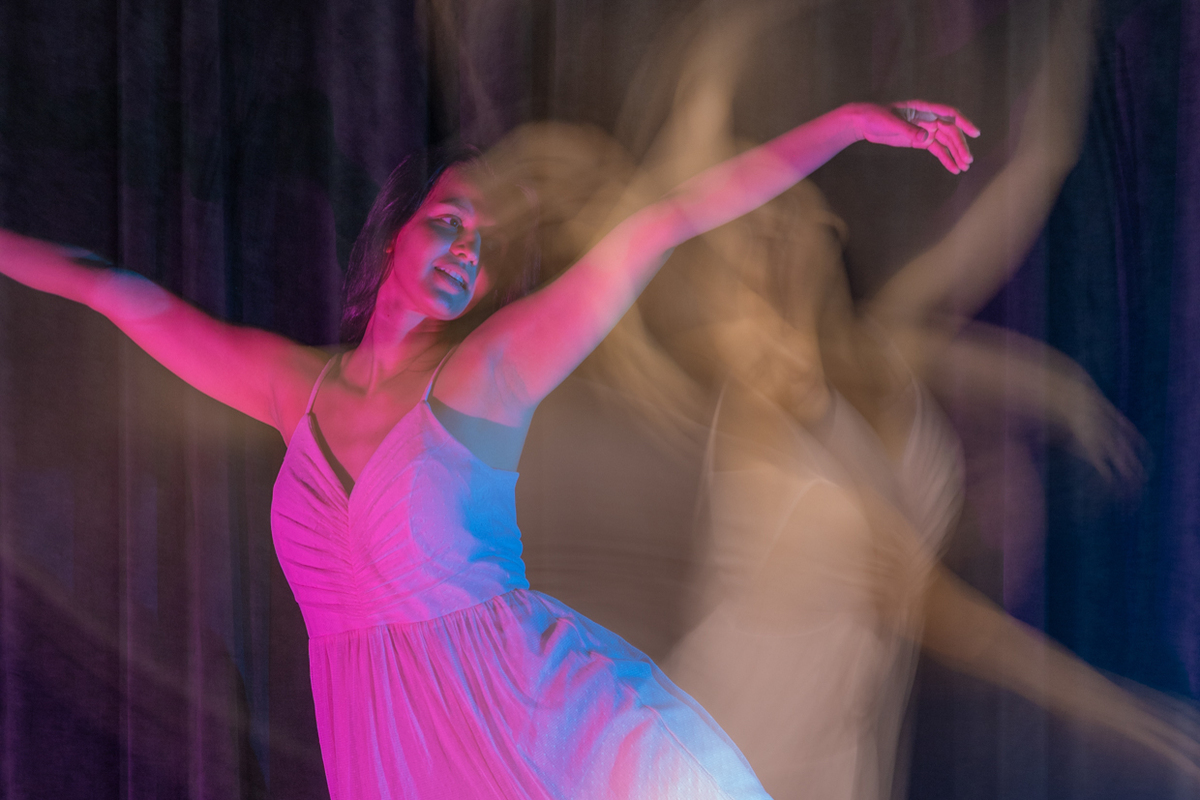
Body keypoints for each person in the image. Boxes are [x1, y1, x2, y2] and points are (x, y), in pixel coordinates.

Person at [0, 100, 975, 797]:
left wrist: (847, 124)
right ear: (395, 235)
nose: (467, 247)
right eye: (450, 221)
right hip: (388, 749)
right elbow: (112, 289)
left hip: (538, 725)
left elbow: (660, 225)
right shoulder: (292, 388)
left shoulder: (491, 371)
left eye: (487, 246)